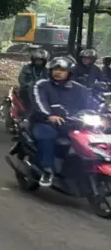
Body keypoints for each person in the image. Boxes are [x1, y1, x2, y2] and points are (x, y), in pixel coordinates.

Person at [32, 57, 93, 186]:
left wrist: (104, 113)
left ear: (69, 72)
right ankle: (47, 170)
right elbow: (39, 102)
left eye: (62, 70)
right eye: (55, 69)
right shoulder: (42, 85)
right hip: (45, 122)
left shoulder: (79, 89)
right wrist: (49, 116)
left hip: (72, 124)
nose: (58, 72)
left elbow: (92, 104)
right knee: (48, 133)